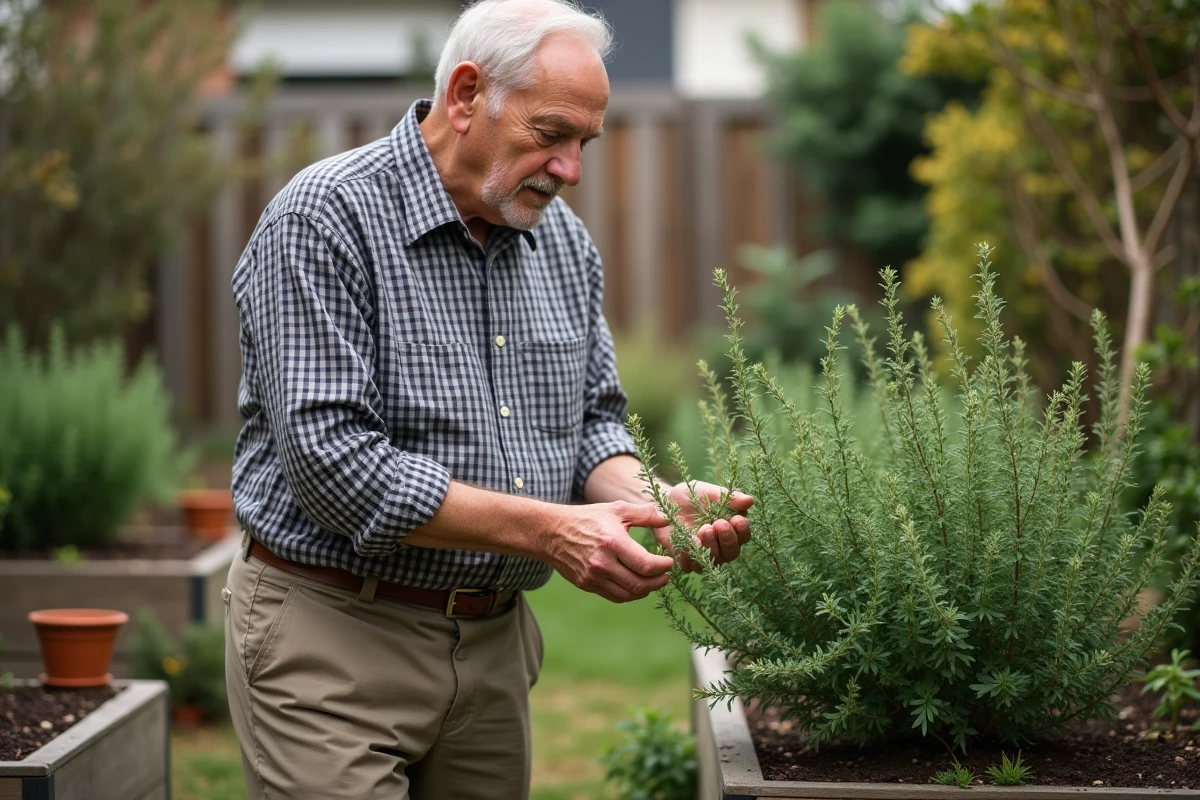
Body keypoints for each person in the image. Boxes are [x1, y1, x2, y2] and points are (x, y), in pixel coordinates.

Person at [222, 1, 753, 797]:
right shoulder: (323, 218)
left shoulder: (562, 242)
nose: (571, 168)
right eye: (551, 134)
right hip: (330, 635)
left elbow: (590, 427)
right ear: (467, 94)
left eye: (585, 143)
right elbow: (334, 467)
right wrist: (552, 533)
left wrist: (656, 506)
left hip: (494, 647)